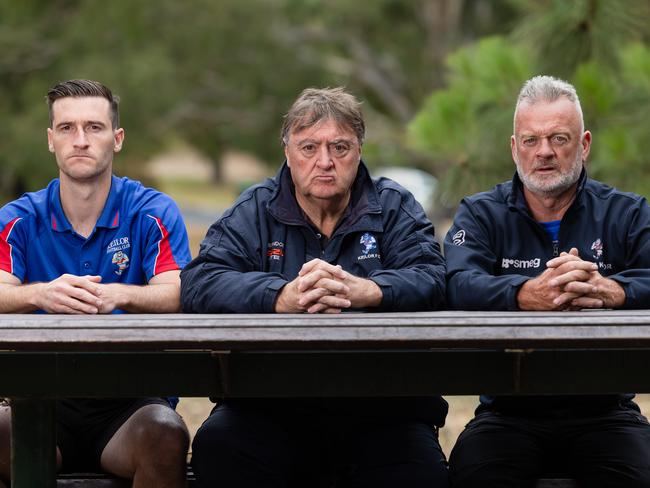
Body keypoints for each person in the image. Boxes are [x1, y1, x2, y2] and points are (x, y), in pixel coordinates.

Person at [181, 87, 449, 487]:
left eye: (339, 147)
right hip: (268, 408)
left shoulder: (393, 206)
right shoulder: (255, 208)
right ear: (287, 151)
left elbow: (434, 275)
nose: (324, 162)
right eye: (309, 148)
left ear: (359, 150)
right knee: (218, 448)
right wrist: (280, 296)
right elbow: (200, 281)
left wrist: (367, 290)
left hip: (384, 411)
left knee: (422, 473)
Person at [444, 75, 650, 487]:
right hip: (508, 413)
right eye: (531, 140)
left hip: (606, 411)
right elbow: (456, 283)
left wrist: (612, 290)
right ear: (513, 146)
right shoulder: (481, 214)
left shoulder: (626, 213)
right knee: (472, 473)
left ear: (585, 144)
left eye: (559, 138)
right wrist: (525, 293)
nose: (544, 153)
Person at [0, 80, 192, 487]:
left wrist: (118, 295)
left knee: (165, 433)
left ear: (117, 138)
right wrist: (40, 293)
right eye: (67, 128)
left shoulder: (152, 211)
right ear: (51, 140)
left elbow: (178, 291)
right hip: (41, 399)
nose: (80, 140)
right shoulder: (19, 217)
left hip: (131, 401)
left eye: (94, 127)